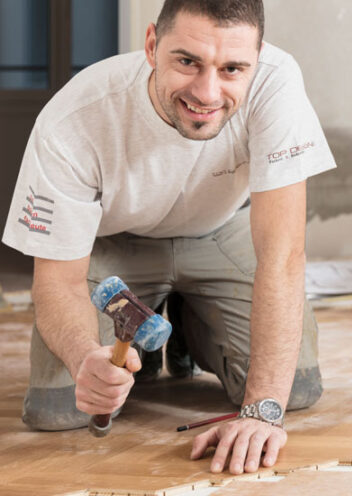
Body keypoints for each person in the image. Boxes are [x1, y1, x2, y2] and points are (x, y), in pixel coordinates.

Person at [1, 0, 334, 475]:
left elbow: (282, 256)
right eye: (187, 61)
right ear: (152, 45)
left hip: (221, 231)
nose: (207, 92)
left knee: (292, 390)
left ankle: (190, 322)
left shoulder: (277, 83)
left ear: (258, 60)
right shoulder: (74, 118)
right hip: (114, 242)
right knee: (63, 408)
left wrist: (263, 409)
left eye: (232, 69)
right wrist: (83, 358)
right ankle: (147, 336)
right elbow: (58, 282)